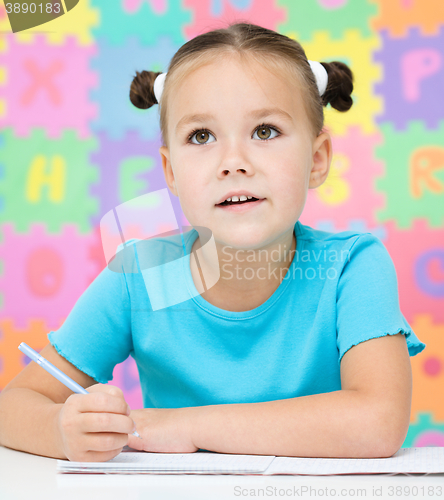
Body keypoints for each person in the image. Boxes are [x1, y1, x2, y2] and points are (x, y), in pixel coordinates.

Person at [0, 22, 426, 463]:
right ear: (171, 172)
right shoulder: (139, 276)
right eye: (201, 136)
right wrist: (62, 430)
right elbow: (11, 408)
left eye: (265, 131)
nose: (233, 163)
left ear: (317, 160)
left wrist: (183, 427)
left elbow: (378, 422)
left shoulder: (353, 266)